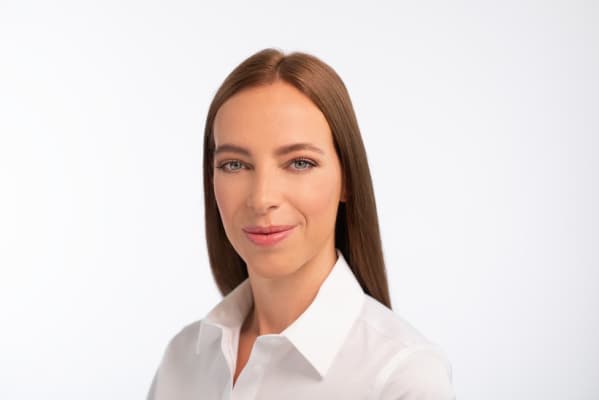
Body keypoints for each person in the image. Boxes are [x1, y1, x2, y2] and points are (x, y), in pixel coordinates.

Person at [147, 48, 455, 400]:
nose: (262, 198)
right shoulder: (183, 359)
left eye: (299, 163)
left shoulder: (402, 376)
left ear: (347, 179)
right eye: (235, 165)